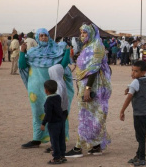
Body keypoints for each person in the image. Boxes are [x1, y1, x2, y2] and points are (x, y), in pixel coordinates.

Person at [18, 28, 74, 149]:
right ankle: (36, 139)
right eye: (41, 35)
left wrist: (66, 53)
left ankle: (57, 142)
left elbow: (62, 66)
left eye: (46, 35)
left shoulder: (56, 51)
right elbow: (22, 65)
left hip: (53, 89)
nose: (43, 38)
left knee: (56, 114)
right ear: (37, 38)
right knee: (37, 113)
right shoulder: (32, 52)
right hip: (36, 90)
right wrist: (22, 52)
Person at [65, 23, 112, 158]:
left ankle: (78, 148)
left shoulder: (96, 46)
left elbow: (94, 69)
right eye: (81, 33)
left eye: (84, 33)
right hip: (87, 85)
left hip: (94, 86)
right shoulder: (88, 46)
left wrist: (87, 88)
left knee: (86, 116)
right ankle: (96, 146)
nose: (82, 36)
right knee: (94, 115)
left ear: (90, 33)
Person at [120, 61, 146, 166]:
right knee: (141, 136)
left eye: (136, 71)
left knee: (141, 137)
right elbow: (133, 88)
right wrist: (129, 88)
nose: (133, 73)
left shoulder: (136, 82)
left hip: (139, 114)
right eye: (132, 70)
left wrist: (122, 111)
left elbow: (129, 97)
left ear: (143, 72)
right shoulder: (143, 80)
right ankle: (138, 155)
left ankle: (142, 158)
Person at [41, 80, 67, 164]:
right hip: (61, 121)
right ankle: (62, 155)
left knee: (54, 140)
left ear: (46, 90)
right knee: (61, 139)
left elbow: (48, 114)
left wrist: (43, 123)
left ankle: (56, 157)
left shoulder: (48, 101)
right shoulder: (58, 97)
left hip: (53, 123)